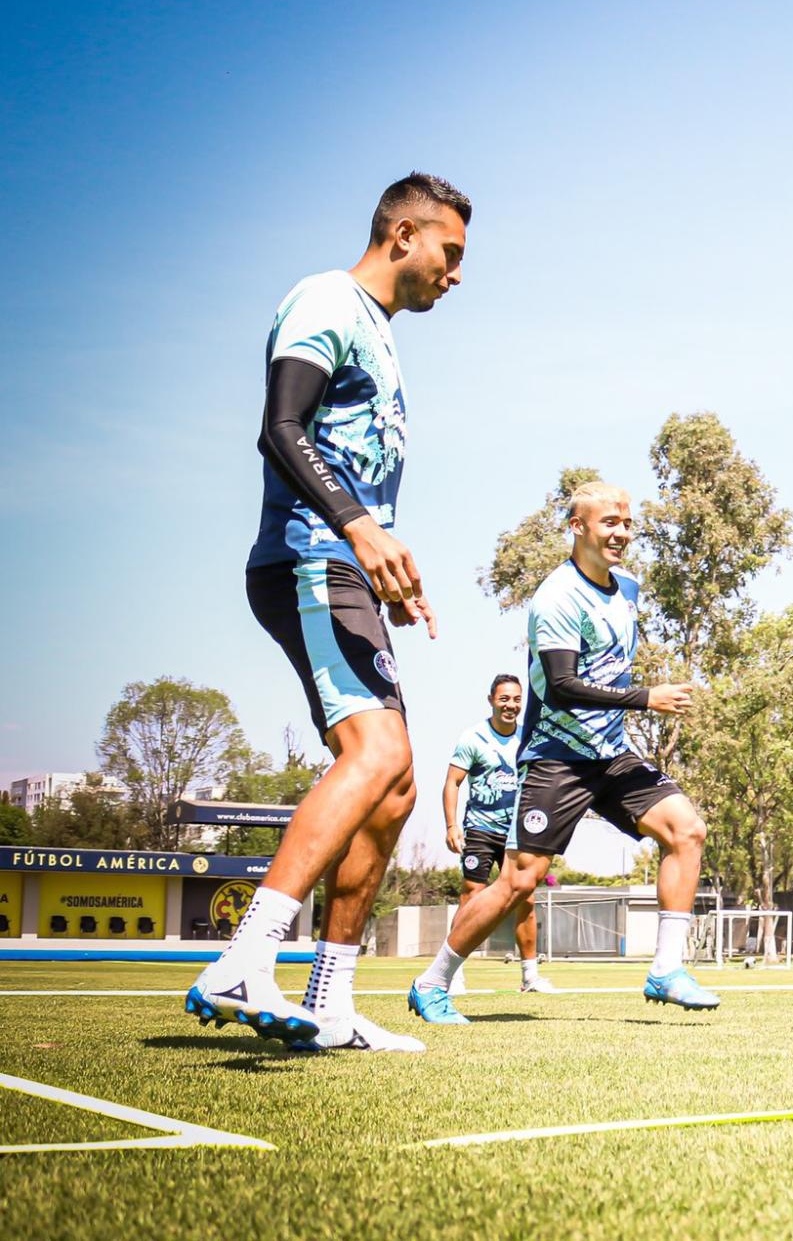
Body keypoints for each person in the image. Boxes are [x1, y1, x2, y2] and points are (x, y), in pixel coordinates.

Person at [187, 173, 470, 1052]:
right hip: (309, 560)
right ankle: (245, 956)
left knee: (395, 792)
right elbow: (282, 426)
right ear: (400, 235)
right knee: (375, 754)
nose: (455, 274)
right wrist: (353, 528)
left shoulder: (379, 336)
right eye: (449, 253)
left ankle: (329, 1000)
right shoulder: (326, 299)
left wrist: (387, 560)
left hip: (348, 568)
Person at [407, 482, 719, 1021]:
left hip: (612, 755)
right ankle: (432, 982)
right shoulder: (557, 597)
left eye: (626, 523)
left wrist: (629, 709)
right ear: (578, 527)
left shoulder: (629, 591)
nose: (620, 533)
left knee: (686, 829)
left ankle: (666, 970)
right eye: (608, 523)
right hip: (557, 758)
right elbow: (559, 686)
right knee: (519, 881)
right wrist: (646, 697)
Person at [444, 674, 556, 994]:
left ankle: (530, 977)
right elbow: (452, 783)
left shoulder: (528, 740)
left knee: (526, 898)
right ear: (491, 699)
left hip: (517, 834)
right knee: (471, 896)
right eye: (504, 698)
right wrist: (452, 826)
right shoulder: (473, 737)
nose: (511, 705)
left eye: (517, 699)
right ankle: (452, 974)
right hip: (480, 828)